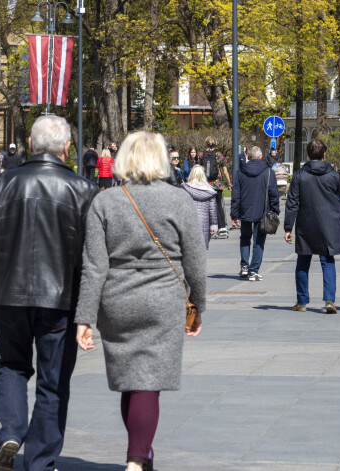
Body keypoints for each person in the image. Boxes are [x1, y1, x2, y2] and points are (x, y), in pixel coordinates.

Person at [0, 115, 98, 471]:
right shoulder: (82, 188)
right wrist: (88, 309)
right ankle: (40, 460)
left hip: (9, 294)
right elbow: (91, 255)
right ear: (67, 147)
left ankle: (11, 432)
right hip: (60, 299)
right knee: (53, 382)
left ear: (29, 142)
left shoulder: (1, 185)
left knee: (11, 366)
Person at [74, 130, 206, 471]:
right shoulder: (178, 200)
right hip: (163, 301)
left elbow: (93, 265)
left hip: (117, 302)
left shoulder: (105, 202)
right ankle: (136, 460)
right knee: (148, 384)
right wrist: (199, 305)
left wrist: (85, 317)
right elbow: (195, 261)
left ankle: (142, 455)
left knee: (130, 382)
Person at [284, 139, 340, 313]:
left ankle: (302, 301)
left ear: (307, 154)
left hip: (306, 223)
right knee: (327, 261)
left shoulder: (299, 175)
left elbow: (292, 203)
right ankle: (329, 299)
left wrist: (288, 227)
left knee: (303, 261)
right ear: (324, 154)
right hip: (329, 223)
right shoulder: (333, 175)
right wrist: (338, 220)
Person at [230, 146, 279, 281]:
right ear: (260, 157)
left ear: (248, 157)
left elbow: (235, 195)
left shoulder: (240, 172)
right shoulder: (268, 172)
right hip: (262, 211)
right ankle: (253, 271)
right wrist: (276, 210)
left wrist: (234, 214)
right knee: (259, 241)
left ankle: (244, 266)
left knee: (245, 238)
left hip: (245, 211)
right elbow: (273, 193)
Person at [198, 136, 232, 238]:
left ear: (206, 144)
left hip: (206, 184)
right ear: (215, 144)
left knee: (206, 206)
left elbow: (198, 169)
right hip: (217, 185)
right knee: (218, 205)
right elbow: (225, 171)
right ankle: (222, 228)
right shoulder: (219, 155)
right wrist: (229, 183)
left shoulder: (201, 155)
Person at [182, 164, 218, 249]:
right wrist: (213, 225)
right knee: (201, 249)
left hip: (189, 221)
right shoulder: (209, 191)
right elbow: (212, 210)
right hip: (204, 222)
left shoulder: (185, 188)